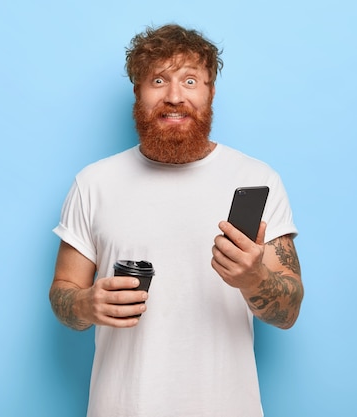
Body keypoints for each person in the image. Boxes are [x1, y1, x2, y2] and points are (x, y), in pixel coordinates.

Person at [49, 24, 304, 417]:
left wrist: (254, 278)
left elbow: (288, 312)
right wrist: (86, 303)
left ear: (210, 92)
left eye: (189, 80)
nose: (174, 96)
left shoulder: (257, 180)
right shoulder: (94, 183)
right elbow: (63, 291)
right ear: (138, 92)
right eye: (158, 80)